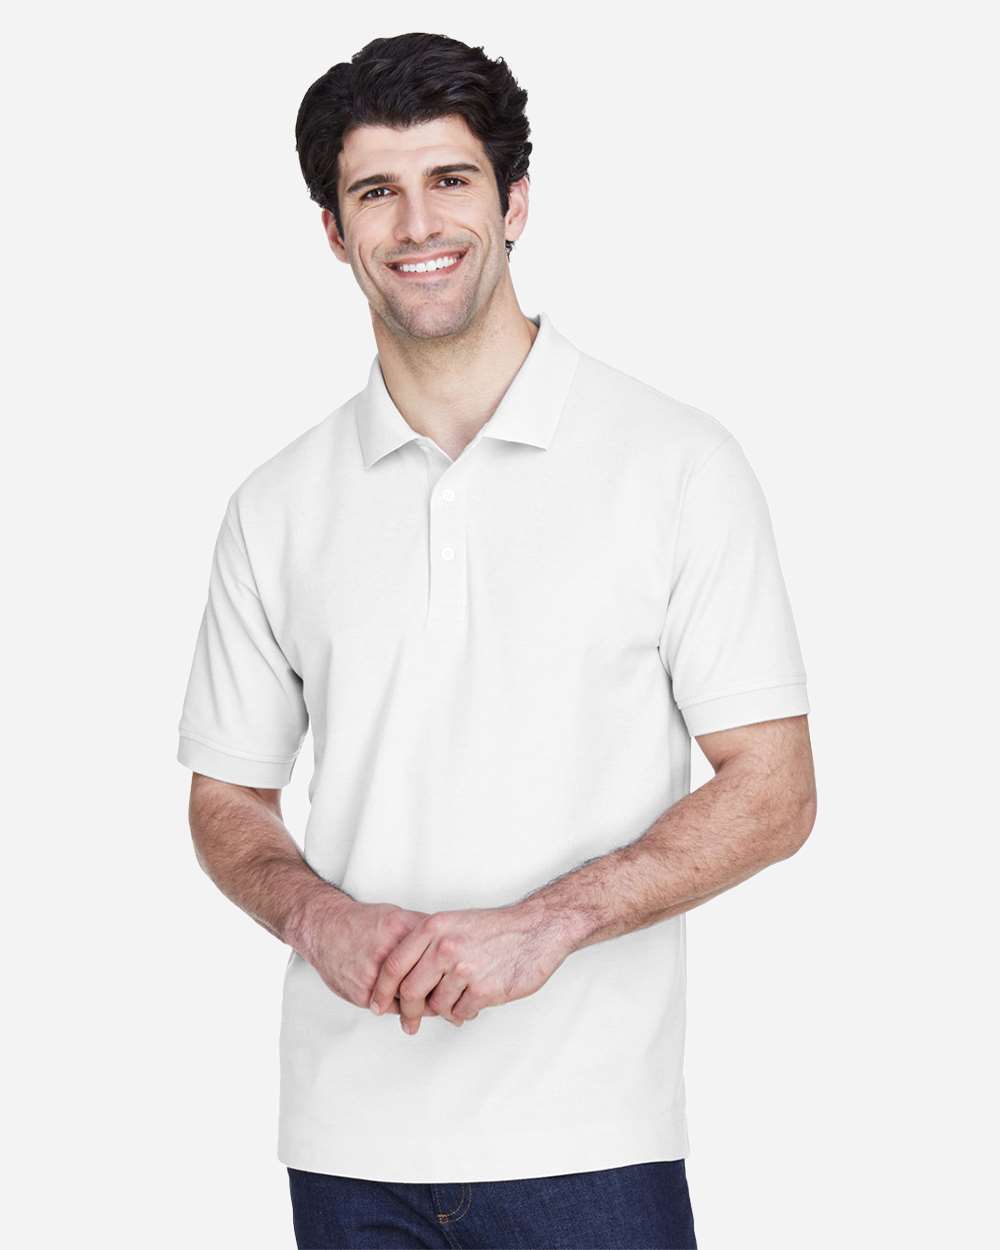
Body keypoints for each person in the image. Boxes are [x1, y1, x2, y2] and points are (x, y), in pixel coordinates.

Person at [176, 30, 817, 1250]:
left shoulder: (674, 464)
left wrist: (551, 921)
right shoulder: (277, 503)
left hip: (590, 1139)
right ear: (334, 232)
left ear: (513, 202)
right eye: (377, 191)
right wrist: (313, 915)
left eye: (450, 179)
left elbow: (776, 789)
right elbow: (226, 795)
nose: (418, 222)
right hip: (347, 1144)